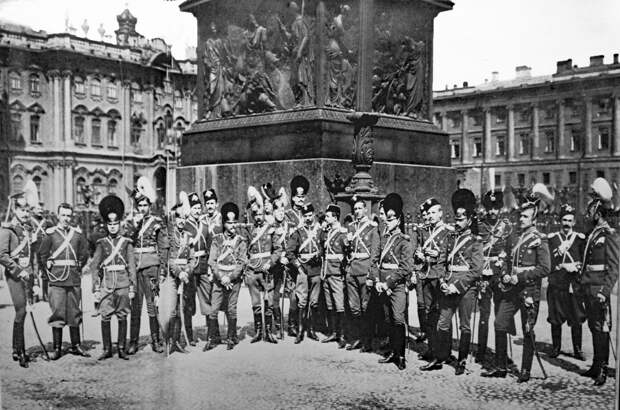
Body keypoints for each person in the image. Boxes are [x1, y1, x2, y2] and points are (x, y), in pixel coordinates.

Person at [482, 184, 551, 383]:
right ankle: (501, 366)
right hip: (511, 290)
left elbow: (545, 268)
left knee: (527, 329)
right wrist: (504, 273)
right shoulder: (514, 237)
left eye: (525, 217)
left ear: (534, 219)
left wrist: (520, 277)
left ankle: (525, 370)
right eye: (520, 215)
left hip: (529, 291)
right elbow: (505, 258)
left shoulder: (540, 239)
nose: (521, 219)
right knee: (500, 323)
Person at [421, 189, 482, 375]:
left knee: (464, 325)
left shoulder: (475, 241)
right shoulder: (450, 237)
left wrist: (457, 286)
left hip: (465, 288)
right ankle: (440, 357)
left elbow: (476, 270)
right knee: (443, 323)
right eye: (456, 218)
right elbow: (442, 262)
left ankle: (462, 360)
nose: (457, 222)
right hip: (447, 285)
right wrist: (442, 281)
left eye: (461, 219)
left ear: (469, 219)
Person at [580, 177, 620, 386]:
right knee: (594, 327)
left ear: (598, 213)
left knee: (602, 328)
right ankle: (596, 364)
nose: (589, 214)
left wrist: (605, 291)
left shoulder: (609, 235)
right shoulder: (593, 233)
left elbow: (614, 268)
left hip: (598, 289)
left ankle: (603, 369)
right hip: (589, 286)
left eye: (592, 211)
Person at [39, 202, 90, 360]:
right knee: (58, 313)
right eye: (63, 215)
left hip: (73, 279)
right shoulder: (50, 234)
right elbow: (42, 255)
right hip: (57, 279)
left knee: (74, 312)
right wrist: (48, 273)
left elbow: (84, 253)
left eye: (69, 215)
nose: (66, 218)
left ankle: (76, 345)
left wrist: (78, 267)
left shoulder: (77, 234)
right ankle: (57, 348)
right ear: (58, 216)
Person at [88, 195, 136, 360]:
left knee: (122, 315)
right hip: (107, 285)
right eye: (110, 224)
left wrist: (132, 287)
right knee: (105, 315)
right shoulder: (102, 243)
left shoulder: (126, 243)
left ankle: (121, 348)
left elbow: (131, 266)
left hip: (123, 285)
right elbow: (94, 266)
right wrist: (95, 287)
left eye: (116, 224)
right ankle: (107, 348)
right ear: (106, 225)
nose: (113, 227)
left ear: (120, 223)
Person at [127, 178, 170, 355]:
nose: (143, 208)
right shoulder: (132, 223)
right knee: (135, 306)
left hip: (152, 267)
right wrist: (133, 225)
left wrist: (163, 270)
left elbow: (163, 247)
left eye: (145, 205)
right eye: (140, 205)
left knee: (152, 306)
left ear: (150, 206)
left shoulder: (157, 222)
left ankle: (156, 340)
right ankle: (133, 342)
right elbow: (127, 244)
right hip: (135, 269)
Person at [371, 193, 413, 370]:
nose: (388, 222)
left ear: (398, 219)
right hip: (381, 285)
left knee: (397, 318)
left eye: (391, 219)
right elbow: (374, 262)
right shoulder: (383, 239)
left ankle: (401, 355)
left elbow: (406, 268)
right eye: (386, 219)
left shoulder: (404, 241)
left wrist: (388, 283)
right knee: (387, 319)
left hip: (396, 286)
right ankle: (392, 352)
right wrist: (376, 280)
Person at [414, 197, 453, 361]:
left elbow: (452, 255)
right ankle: (432, 349)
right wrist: (420, 255)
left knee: (442, 315)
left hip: (440, 276)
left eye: (433, 213)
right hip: (427, 276)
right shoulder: (424, 231)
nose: (430, 216)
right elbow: (419, 250)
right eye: (428, 213)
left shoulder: (448, 231)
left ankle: (445, 352)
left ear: (440, 213)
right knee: (429, 314)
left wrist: (439, 254)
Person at [206, 202, 248, 350]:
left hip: (234, 280)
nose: (232, 225)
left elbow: (241, 262)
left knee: (231, 308)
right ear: (224, 223)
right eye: (229, 223)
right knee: (213, 309)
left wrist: (230, 278)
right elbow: (212, 261)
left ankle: (231, 337)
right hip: (219, 279)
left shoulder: (241, 241)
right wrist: (221, 277)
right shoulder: (217, 240)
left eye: (234, 222)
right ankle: (212, 338)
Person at [546, 204, 586, 360]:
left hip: (573, 284)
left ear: (574, 222)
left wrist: (577, 266)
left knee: (576, 316)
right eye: (564, 220)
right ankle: (556, 347)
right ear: (559, 221)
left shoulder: (580, 239)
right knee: (555, 316)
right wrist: (562, 264)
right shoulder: (552, 238)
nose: (567, 223)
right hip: (557, 282)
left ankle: (577, 349)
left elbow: (584, 259)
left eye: (570, 220)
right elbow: (548, 261)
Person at [0, 189, 35, 367]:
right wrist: (18, 271)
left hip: (27, 274)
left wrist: (34, 277)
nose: (25, 213)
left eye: (27, 210)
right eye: (22, 209)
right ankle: (20, 350)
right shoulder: (7, 230)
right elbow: (2, 255)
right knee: (21, 310)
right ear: (14, 210)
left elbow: (31, 256)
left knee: (24, 312)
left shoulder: (28, 229)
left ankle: (16, 348)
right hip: (15, 275)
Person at [476, 190, 511, 365]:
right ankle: (481, 351)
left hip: (499, 274)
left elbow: (510, 252)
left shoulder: (507, 226)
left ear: (500, 208)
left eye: (495, 207)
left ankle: (501, 353)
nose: (492, 211)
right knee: (484, 315)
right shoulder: (479, 226)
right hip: (484, 274)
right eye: (489, 207)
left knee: (500, 315)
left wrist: (506, 271)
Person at [243, 188, 281, 344]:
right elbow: (243, 250)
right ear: (253, 216)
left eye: (260, 214)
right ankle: (258, 332)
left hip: (267, 270)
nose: (258, 217)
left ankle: (269, 332)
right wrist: (247, 266)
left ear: (264, 214)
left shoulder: (270, 229)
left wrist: (270, 263)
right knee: (256, 303)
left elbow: (278, 250)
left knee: (269, 302)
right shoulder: (248, 231)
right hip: (253, 271)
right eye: (256, 215)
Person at [285, 203, 323, 344]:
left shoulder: (320, 231)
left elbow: (324, 247)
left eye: (310, 215)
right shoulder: (298, 232)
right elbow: (290, 251)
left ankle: (311, 330)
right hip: (303, 269)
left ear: (313, 215)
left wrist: (319, 254)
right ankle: (300, 330)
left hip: (316, 269)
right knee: (302, 300)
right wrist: (298, 265)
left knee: (314, 301)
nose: (308, 218)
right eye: (305, 216)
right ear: (302, 217)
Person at [345, 196, 379, 351]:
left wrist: (371, 273)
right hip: (352, 269)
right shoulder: (351, 227)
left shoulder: (372, 227)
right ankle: (358, 338)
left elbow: (374, 254)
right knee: (354, 307)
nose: (357, 211)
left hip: (364, 269)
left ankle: (367, 340)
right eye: (355, 209)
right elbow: (348, 250)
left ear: (366, 210)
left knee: (366, 307)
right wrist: (346, 243)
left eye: (360, 208)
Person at [165, 194, 194, 354]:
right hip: (172, 276)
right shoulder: (170, 235)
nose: (181, 221)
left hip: (185, 276)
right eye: (179, 217)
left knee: (182, 308)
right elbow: (169, 259)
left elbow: (192, 259)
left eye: (184, 218)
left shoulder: (188, 236)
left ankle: (176, 341)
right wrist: (179, 272)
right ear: (174, 219)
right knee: (172, 310)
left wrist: (187, 271)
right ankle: (169, 341)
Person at [184, 192, 214, 348]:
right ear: (189, 209)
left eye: (198, 208)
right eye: (194, 208)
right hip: (190, 267)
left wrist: (209, 268)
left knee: (207, 300)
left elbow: (210, 248)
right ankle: (189, 336)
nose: (196, 211)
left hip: (202, 266)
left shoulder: (205, 226)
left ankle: (211, 336)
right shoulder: (185, 226)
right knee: (188, 302)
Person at [320, 204, 348, 348]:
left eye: (328, 216)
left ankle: (341, 335)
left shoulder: (342, 233)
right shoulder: (327, 232)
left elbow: (347, 254)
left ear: (335, 217)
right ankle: (333, 332)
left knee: (339, 304)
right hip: (326, 272)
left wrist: (343, 271)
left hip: (336, 272)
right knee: (329, 304)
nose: (326, 218)